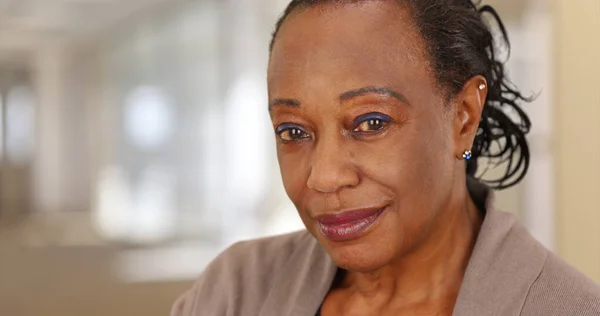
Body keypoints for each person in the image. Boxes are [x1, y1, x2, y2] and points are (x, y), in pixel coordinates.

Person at [172, 1, 600, 315]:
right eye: (294, 131)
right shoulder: (234, 293)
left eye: (370, 123)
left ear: (464, 117)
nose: (324, 177)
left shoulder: (567, 308)